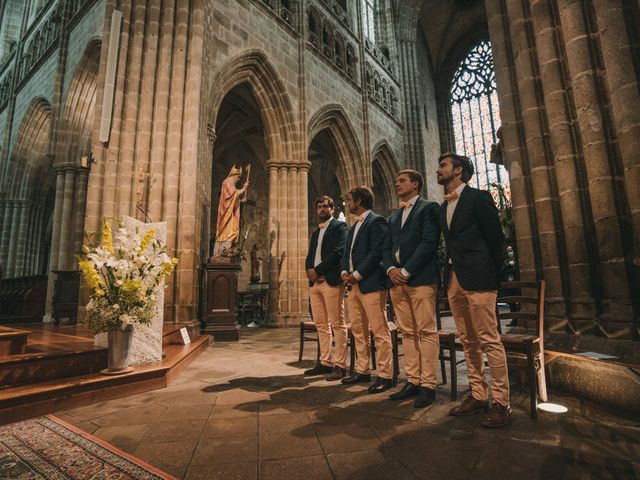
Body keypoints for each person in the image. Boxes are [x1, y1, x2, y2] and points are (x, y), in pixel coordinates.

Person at [436, 152, 510, 428]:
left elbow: (496, 240)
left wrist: (492, 275)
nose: (438, 170)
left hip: (479, 278)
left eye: (443, 165)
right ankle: (478, 395)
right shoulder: (443, 207)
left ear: (458, 170)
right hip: (455, 280)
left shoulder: (478, 198)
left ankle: (502, 402)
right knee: (467, 341)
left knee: (489, 339)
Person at [383, 170, 441, 408]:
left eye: (402, 181)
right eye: (396, 180)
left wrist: (406, 271)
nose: (396, 184)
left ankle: (428, 384)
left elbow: (429, 242)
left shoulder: (429, 208)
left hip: (420, 278)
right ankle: (413, 380)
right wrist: (390, 270)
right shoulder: (394, 217)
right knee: (407, 332)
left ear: (415, 184)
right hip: (396, 281)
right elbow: (386, 248)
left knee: (426, 331)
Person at [340, 186, 393, 394]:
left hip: (370, 283)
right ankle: (362, 370)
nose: (347, 203)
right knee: (358, 330)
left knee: (379, 331)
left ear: (359, 201)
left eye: (350, 200)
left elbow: (377, 252)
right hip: (353, 285)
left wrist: (357, 274)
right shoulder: (352, 227)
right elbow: (346, 254)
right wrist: (345, 271)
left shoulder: (376, 221)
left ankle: (385, 375)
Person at [304, 196, 349, 380]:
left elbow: (338, 252)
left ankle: (340, 365)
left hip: (330, 281)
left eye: (325, 206)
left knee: (337, 324)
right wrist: (309, 271)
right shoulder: (316, 232)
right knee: (321, 325)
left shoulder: (339, 227)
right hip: (315, 283)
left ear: (332, 209)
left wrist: (319, 271)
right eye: (319, 206)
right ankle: (324, 362)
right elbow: (310, 255)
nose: (322, 209)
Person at [214, 165, 250, 258]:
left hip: (229, 212)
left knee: (234, 230)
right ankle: (223, 249)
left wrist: (241, 201)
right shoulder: (227, 182)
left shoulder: (230, 183)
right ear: (234, 175)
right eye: (238, 177)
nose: (238, 179)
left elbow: (233, 199)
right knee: (233, 230)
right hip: (226, 213)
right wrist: (244, 188)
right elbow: (231, 195)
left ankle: (227, 249)